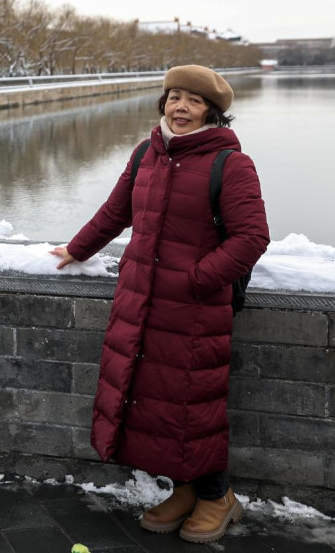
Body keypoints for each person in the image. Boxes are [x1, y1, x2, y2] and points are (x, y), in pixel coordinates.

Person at [50, 65, 269, 544]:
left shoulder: (230, 164)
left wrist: (196, 281)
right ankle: (186, 491)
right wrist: (77, 249)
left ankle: (218, 497)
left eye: (193, 101)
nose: (181, 108)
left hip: (193, 310)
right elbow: (116, 211)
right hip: (142, 302)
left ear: (212, 112)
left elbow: (252, 237)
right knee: (160, 406)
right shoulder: (145, 154)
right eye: (174, 98)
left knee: (194, 404)